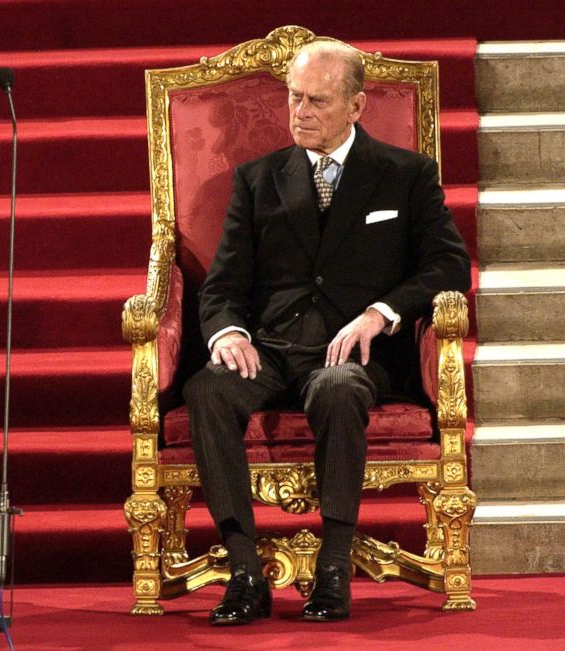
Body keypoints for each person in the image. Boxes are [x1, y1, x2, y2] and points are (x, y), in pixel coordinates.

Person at [183, 41, 471, 625]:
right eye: (294, 98)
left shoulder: (405, 176)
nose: (300, 112)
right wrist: (227, 334)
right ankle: (244, 572)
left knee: (338, 389)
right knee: (207, 391)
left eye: (316, 100)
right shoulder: (257, 180)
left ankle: (334, 567)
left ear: (357, 105)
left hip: (353, 354)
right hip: (268, 349)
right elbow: (220, 286)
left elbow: (449, 267)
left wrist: (383, 312)